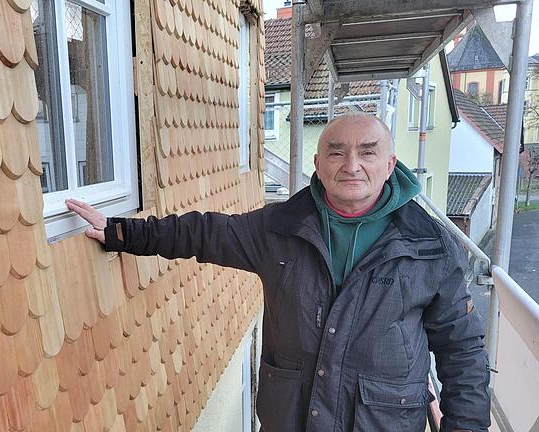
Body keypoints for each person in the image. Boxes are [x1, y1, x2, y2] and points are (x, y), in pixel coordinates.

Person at [66, 113, 490, 432]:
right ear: (318, 163)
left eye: (368, 151)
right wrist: (121, 232)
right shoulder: (280, 228)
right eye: (336, 151)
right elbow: (204, 233)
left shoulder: (430, 246)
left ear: (391, 163)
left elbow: (462, 352)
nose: (351, 164)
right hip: (292, 419)